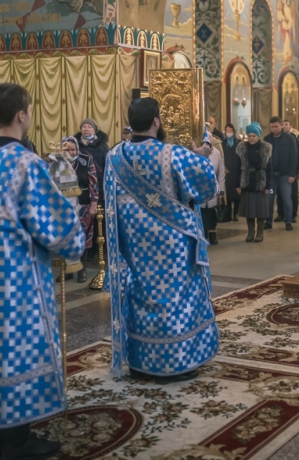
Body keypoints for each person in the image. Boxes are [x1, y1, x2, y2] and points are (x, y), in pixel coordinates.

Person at [0, 83, 84, 460]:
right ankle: (16, 443)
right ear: (21, 115)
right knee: (19, 353)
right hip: (18, 284)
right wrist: (74, 243)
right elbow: (56, 225)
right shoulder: (25, 163)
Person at [104, 97, 220, 383]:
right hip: (172, 243)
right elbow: (207, 185)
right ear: (157, 121)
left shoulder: (114, 156)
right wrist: (204, 152)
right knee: (176, 297)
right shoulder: (173, 154)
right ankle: (176, 360)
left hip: (133, 242)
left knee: (141, 294)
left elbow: (108, 202)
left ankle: (142, 362)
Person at [62, 136, 97, 282]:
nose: (71, 152)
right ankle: (68, 270)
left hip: (83, 203)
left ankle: (81, 269)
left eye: (73, 149)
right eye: (67, 149)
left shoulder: (86, 160)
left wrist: (94, 204)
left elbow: (94, 183)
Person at [236, 123, 273, 242]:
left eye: (254, 136)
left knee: (260, 210)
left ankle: (260, 232)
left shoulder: (265, 148)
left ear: (258, 136)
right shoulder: (242, 148)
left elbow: (269, 168)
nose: (251, 138)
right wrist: (237, 184)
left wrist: (268, 186)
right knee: (249, 210)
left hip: (260, 181)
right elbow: (237, 167)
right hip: (247, 180)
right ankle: (250, 232)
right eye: (250, 135)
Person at [263, 116, 297, 231]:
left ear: (281, 126)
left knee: (286, 198)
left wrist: (292, 174)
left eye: (276, 126)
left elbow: (294, 157)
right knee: (270, 198)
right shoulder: (267, 139)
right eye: (272, 127)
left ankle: (288, 221)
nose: (274, 129)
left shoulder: (289, 138)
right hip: (271, 175)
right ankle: (268, 221)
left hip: (285, 174)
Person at [200, 138, 225, 245]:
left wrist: (221, 190)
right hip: (200, 187)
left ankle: (213, 235)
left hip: (212, 187)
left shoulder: (217, 153)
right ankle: (203, 234)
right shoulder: (197, 152)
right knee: (202, 213)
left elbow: (221, 172)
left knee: (212, 213)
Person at [282, 120, 299, 221]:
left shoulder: (294, 139)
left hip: (292, 171)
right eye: (283, 125)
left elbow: (297, 155)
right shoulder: (279, 138)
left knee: (293, 193)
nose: (284, 127)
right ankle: (281, 214)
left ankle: (293, 214)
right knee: (281, 194)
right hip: (282, 171)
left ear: (290, 126)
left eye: (286, 125)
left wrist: (297, 169)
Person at [222, 123, 241, 221]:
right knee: (228, 193)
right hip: (227, 171)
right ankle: (229, 212)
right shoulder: (223, 143)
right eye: (227, 130)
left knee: (236, 192)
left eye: (230, 130)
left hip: (236, 170)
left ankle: (236, 213)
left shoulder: (238, 143)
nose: (229, 132)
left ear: (234, 131)